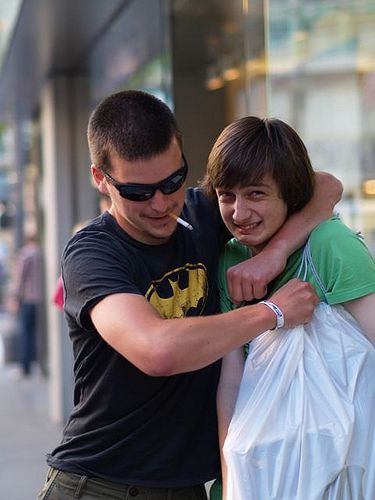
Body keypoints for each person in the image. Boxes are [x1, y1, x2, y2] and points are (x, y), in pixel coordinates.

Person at [38, 91, 341, 500]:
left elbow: (325, 186)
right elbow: (158, 350)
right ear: (100, 179)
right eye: (138, 192)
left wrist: (274, 255)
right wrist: (273, 311)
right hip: (99, 484)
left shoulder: (202, 213)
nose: (161, 204)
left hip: (187, 486)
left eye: (173, 181)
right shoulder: (92, 254)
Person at [201, 116, 375, 500]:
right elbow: (232, 381)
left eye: (257, 194)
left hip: (339, 473)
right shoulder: (229, 260)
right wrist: (233, 482)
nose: (239, 213)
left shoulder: (330, 246)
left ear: (291, 193)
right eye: (227, 195)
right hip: (262, 476)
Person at [10, 235, 43, 377]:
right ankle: (41, 365)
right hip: (41, 300)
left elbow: (20, 279)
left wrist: (15, 298)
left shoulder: (25, 255)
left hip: (28, 300)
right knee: (39, 334)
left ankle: (25, 367)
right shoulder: (41, 254)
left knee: (26, 333)